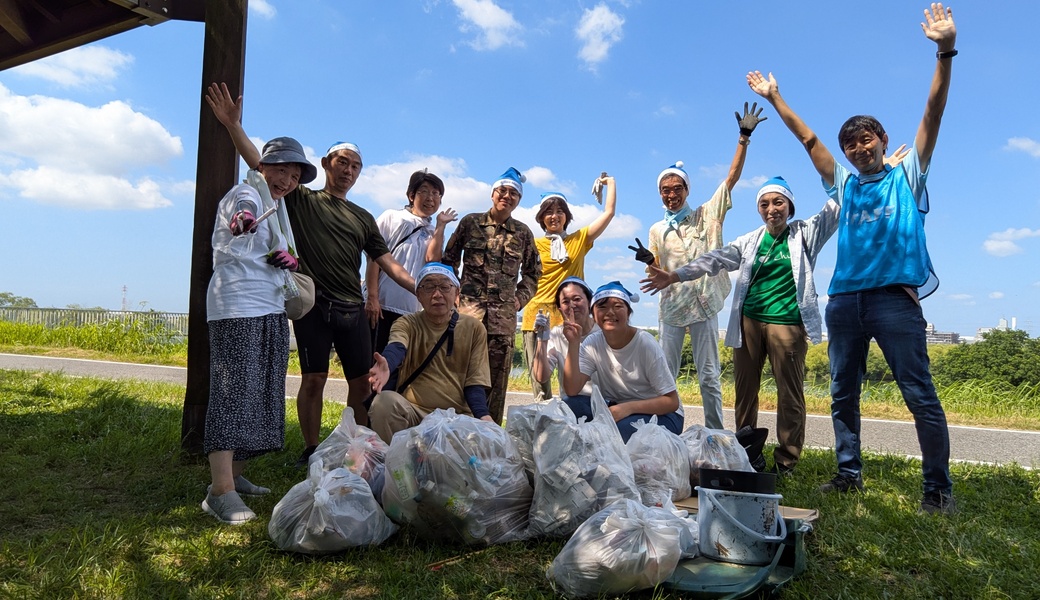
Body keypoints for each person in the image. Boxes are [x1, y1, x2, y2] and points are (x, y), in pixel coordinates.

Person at [746, 3, 958, 514]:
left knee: (918, 393)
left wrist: (944, 52)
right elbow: (809, 139)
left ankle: (937, 489)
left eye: (866, 139)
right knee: (843, 393)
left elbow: (932, 113)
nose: (857, 148)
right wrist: (775, 97)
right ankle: (848, 473)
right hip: (845, 301)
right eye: (851, 143)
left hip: (894, 300)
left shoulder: (908, 176)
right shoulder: (842, 182)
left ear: (883, 141)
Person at [206, 83, 417, 467]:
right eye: (342, 163)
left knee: (360, 383)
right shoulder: (301, 197)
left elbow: (387, 263)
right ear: (325, 164)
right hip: (314, 307)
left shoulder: (363, 217)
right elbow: (261, 166)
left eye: (355, 166)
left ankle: (356, 446)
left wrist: (424, 287)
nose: (348, 171)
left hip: (353, 309)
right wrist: (233, 127)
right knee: (314, 379)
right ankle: (310, 447)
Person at [642, 177, 838, 475]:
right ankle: (747, 452)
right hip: (749, 321)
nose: (772, 209)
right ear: (759, 209)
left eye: (778, 203)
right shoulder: (751, 240)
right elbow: (714, 259)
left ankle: (786, 460)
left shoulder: (804, 233)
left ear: (790, 206)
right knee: (745, 391)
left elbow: (835, 208)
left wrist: (870, 175)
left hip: (786, 322)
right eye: (765, 204)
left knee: (790, 392)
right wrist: (675, 275)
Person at [202, 137, 317, 524]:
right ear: (263, 168)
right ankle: (220, 492)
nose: (286, 179)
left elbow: (268, 253)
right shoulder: (246, 194)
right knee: (233, 394)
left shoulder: (278, 208)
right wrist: (243, 222)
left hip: (269, 307)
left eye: (295, 174)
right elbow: (243, 216)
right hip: (238, 306)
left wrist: (285, 259)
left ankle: (234, 475)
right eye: (281, 169)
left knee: (262, 391)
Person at [641, 103, 765, 430]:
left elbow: (732, 178)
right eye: (665, 190)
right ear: (660, 194)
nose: (671, 195)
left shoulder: (708, 214)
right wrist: (648, 263)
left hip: (704, 304)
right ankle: (663, 433)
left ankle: (716, 435)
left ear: (686, 190)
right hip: (671, 308)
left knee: (708, 374)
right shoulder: (656, 229)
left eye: (676, 189)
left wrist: (744, 137)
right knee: (664, 377)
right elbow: (656, 271)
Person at [437, 167, 542, 425]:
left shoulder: (523, 233)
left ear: (519, 200)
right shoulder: (470, 223)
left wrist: (519, 298)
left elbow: (533, 273)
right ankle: (453, 432)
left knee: (494, 387)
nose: (507, 196)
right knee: (457, 375)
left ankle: (489, 440)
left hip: (502, 322)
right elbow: (448, 260)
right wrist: (454, 293)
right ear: (493, 193)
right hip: (466, 318)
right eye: (503, 191)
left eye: (514, 194)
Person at [367, 263, 494, 443]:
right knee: (383, 403)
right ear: (418, 295)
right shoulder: (407, 323)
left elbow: (475, 382)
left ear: (456, 294)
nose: (437, 294)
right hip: (414, 411)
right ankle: (396, 464)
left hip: (455, 418)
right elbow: (398, 345)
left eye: (444, 287)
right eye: (428, 287)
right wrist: (387, 362)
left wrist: (483, 416)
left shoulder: (474, 328)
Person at [520, 176, 617, 400]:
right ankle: (544, 427)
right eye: (548, 212)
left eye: (560, 211)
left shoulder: (579, 239)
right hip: (538, 313)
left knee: (581, 373)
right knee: (540, 382)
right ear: (541, 218)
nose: (554, 216)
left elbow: (608, 213)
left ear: (567, 216)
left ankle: (582, 419)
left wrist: (610, 183)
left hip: (571, 310)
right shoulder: (533, 244)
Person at [561, 281, 683, 442]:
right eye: (602, 307)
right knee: (569, 405)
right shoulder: (592, 343)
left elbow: (672, 402)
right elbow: (572, 389)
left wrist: (628, 408)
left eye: (618, 306)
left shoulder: (644, 343)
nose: (610, 312)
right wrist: (574, 343)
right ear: (593, 314)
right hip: (616, 407)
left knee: (616, 435)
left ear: (628, 313)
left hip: (663, 414)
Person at [363, 169, 457, 353]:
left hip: (412, 312)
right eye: (425, 191)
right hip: (382, 307)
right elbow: (373, 258)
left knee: (401, 367)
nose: (431, 197)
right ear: (411, 195)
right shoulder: (391, 217)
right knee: (375, 364)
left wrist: (440, 226)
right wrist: (372, 298)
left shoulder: (433, 230)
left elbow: (432, 261)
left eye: (436, 193)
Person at [530, 276, 598, 405]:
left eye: (577, 299)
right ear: (559, 307)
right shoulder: (557, 334)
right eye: (565, 301)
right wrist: (542, 339)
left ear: (589, 302)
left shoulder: (602, 331)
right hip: (572, 403)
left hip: (604, 402)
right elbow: (541, 377)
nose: (572, 305)